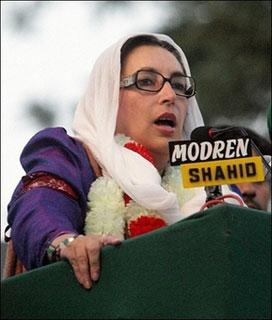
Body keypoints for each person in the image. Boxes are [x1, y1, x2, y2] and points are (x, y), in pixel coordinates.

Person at [5, 32, 243, 289]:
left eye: (177, 84)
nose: (169, 95)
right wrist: (67, 242)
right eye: (147, 81)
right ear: (108, 98)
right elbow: (39, 204)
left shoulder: (211, 181)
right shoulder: (74, 157)